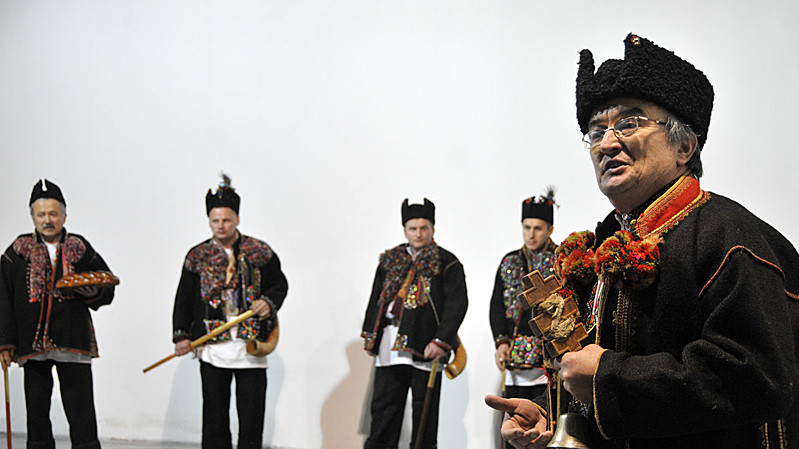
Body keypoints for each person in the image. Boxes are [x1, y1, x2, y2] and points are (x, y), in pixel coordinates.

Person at [486, 33, 799, 449]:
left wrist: (608, 377)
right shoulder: (604, 244)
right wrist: (551, 413)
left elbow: (759, 378)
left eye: (629, 123)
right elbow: (596, 369)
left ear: (684, 145)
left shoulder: (731, 235)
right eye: (596, 131)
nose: (606, 143)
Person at [172, 175, 288, 449]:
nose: (221, 225)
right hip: (213, 345)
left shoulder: (258, 251)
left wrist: (267, 302)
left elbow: (279, 284)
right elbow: (184, 298)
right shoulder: (197, 256)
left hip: (250, 345)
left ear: (236, 219)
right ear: (209, 221)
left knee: (251, 414)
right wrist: (181, 335)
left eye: (226, 219)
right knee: (214, 413)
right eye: (215, 220)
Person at [0, 179, 116, 449]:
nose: (47, 220)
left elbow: (106, 284)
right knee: (37, 412)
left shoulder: (80, 247)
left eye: (53, 213)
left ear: (64, 215)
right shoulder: (17, 252)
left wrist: (92, 293)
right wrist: (5, 342)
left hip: (73, 340)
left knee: (81, 410)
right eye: (41, 214)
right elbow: (3, 297)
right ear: (33, 217)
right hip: (32, 343)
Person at [361, 198, 468, 449]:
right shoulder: (390, 259)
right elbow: (376, 298)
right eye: (413, 228)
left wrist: (441, 340)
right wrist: (370, 334)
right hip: (389, 347)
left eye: (423, 228)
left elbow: (457, 304)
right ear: (405, 230)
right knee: (383, 413)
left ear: (433, 229)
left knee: (424, 421)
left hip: (427, 346)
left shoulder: (447, 262)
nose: (418, 234)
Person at [489, 190, 557, 443]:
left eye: (538, 228)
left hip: (548, 360)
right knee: (514, 428)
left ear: (550, 229)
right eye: (527, 227)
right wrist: (501, 342)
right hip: (514, 360)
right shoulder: (509, 262)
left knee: (545, 429)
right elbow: (497, 306)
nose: (531, 234)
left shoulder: (560, 261)